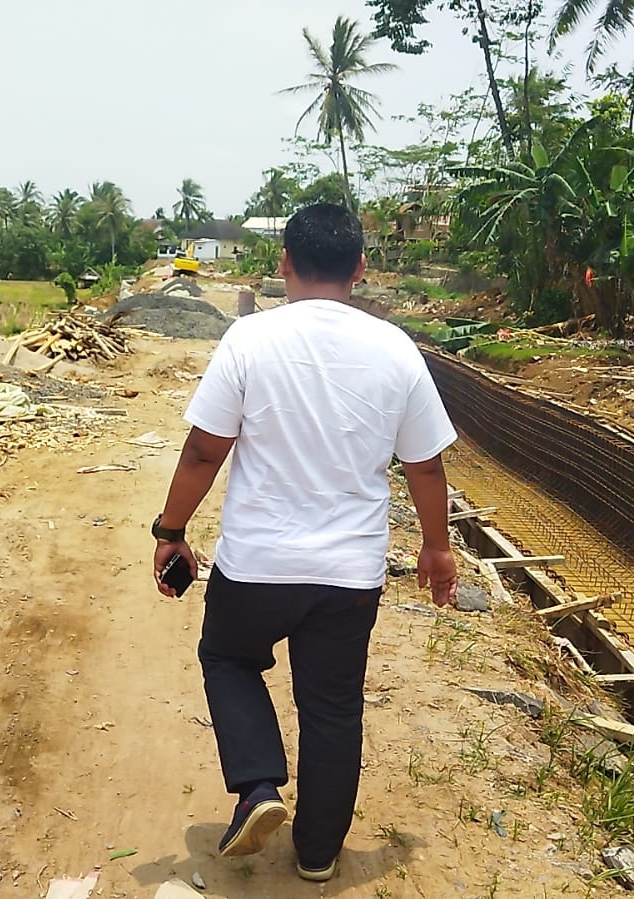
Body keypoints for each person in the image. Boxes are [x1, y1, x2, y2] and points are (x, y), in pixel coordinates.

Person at [150, 203, 458, 882]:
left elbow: (203, 451)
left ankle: (257, 784)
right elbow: (426, 465)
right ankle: (318, 853)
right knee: (332, 707)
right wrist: (436, 547)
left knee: (227, 657)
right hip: (348, 575)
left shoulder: (249, 340)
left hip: (256, 566)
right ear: (360, 267)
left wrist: (171, 531)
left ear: (284, 263)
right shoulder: (395, 349)